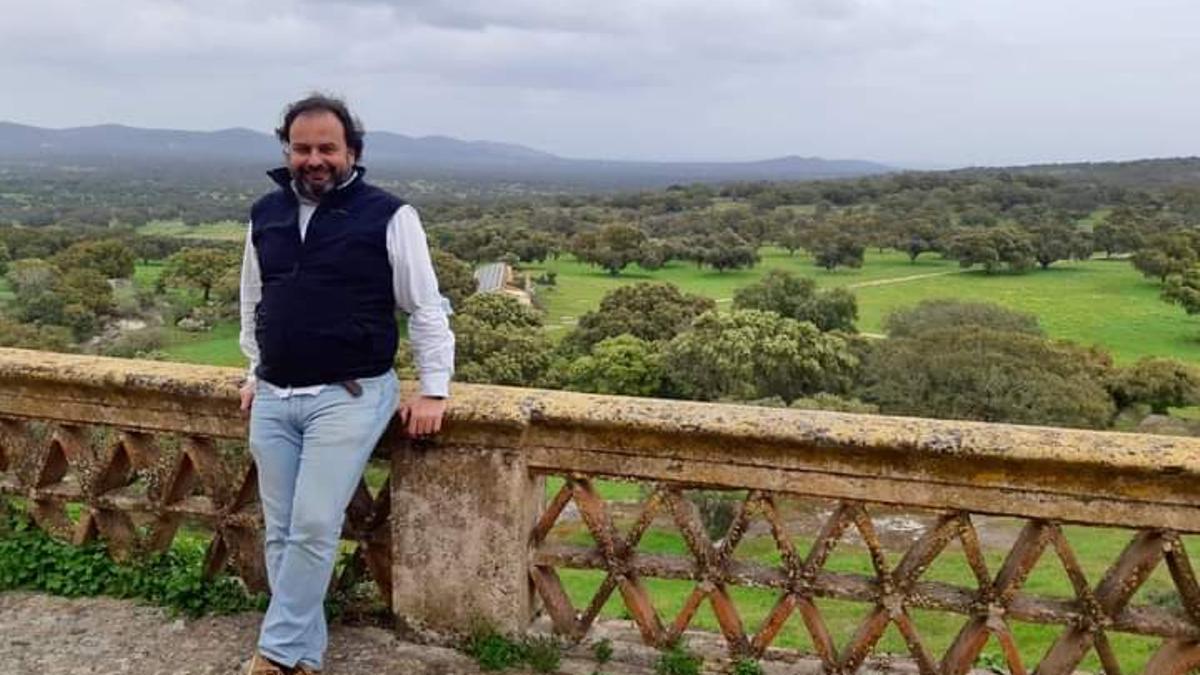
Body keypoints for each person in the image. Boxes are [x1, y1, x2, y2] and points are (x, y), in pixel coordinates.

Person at [238, 94, 454, 675]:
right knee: (281, 530)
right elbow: (254, 301)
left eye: (326, 148)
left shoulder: (389, 214)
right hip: (275, 394)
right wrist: (253, 370)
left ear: (351, 152)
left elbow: (425, 308)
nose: (314, 159)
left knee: (311, 523)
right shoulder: (265, 213)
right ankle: (304, 656)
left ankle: (276, 654)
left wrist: (433, 387)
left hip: (351, 392)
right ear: (287, 150)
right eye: (302, 148)